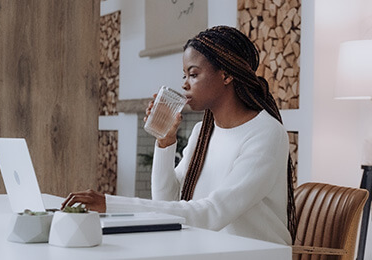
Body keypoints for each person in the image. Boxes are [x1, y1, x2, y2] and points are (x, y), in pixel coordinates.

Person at [62, 25, 297, 245]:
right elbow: (167, 202)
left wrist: (110, 204)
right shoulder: (202, 132)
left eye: (193, 74)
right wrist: (165, 142)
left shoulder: (266, 134)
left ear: (226, 76)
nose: (185, 84)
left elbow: (211, 214)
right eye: (184, 75)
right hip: (206, 249)